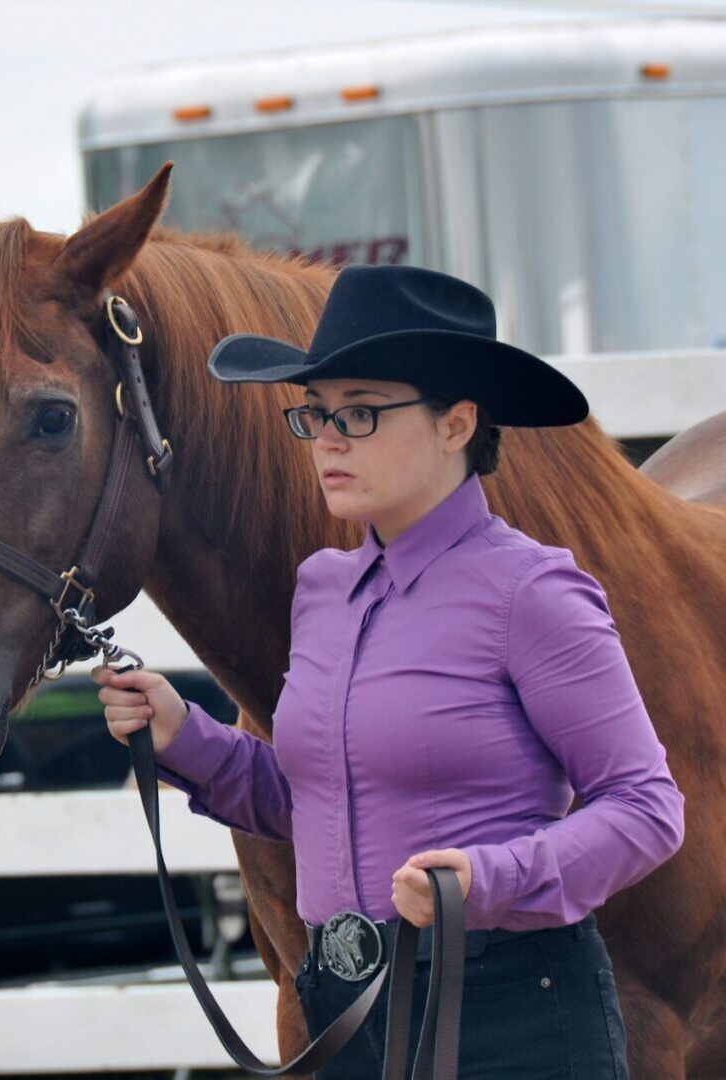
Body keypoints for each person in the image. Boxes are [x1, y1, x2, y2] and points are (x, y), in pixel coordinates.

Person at [90, 265, 685, 1079]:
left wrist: (490, 879)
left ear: (456, 423)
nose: (328, 439)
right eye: (316, 414)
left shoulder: (532, 591)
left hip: (511, 1017)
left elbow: (648, 809)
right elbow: (319, 804)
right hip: (344, 1013)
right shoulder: (322, 590)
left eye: (361, 412)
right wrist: (182, 736)